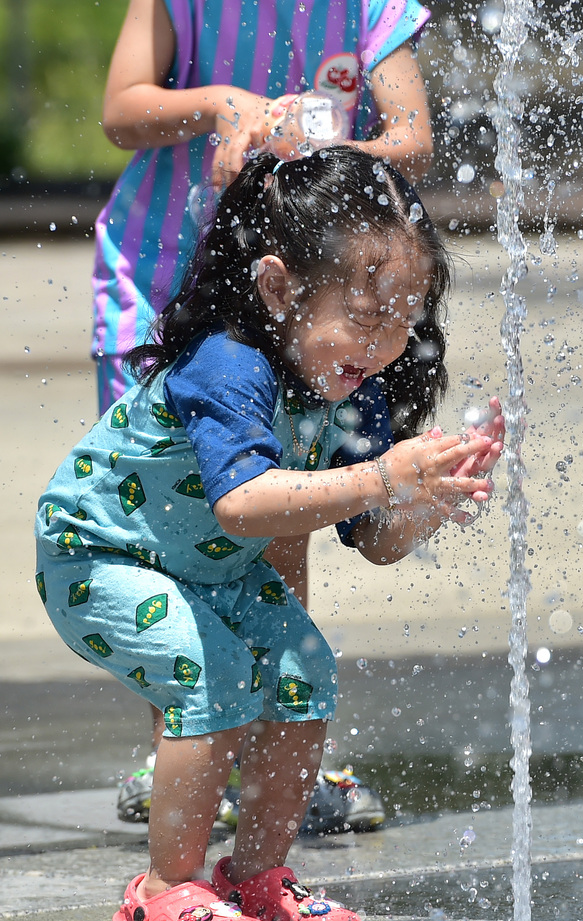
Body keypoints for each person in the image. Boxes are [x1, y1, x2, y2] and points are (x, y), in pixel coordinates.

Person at [35, 146, 504, 921]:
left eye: (406, 320)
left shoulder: (352, 391)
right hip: (100, 555)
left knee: (304, 669)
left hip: (205, 566)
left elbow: (378, 545)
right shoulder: (228, 364)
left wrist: (426, 500)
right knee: (208, 672)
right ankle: (160, 893)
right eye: (365, 316)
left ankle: (256, 876)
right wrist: (380, 474)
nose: (387, 345)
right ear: (280, 288)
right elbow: (243, 503)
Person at [94, 0, 436, 817]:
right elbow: (121, 111)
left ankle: (279, 751)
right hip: (165, 283)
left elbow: (413, 140)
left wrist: (312, 162)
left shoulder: (370, 9)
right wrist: (220, 105)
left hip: (305, 303)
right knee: (170, 523)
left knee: (283, 517)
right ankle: (179, 745)